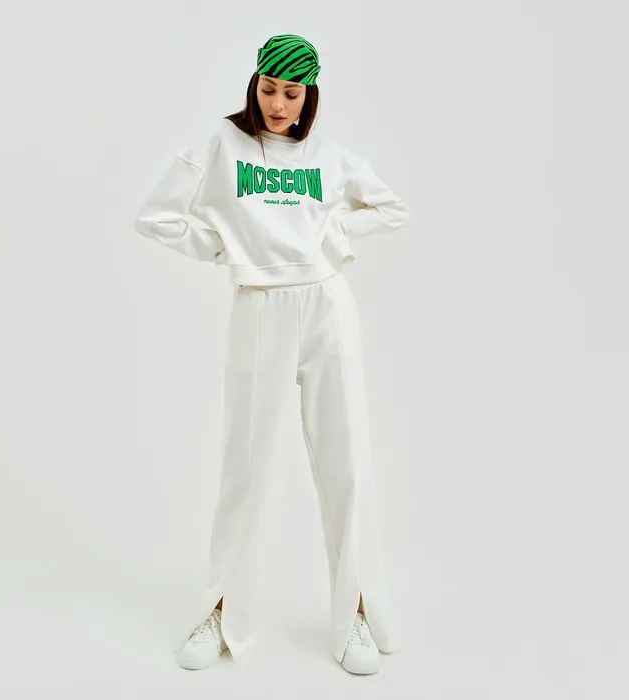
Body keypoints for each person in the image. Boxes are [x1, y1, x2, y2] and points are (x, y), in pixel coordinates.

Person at [133, 33, 410, 674]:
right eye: (268, 89)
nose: (278, 104)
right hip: (260, 307)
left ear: (309, 95)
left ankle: (356, 611)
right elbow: (156, 216)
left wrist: (334, 232)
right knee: (247, 465)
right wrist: (227, 246)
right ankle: (223, 611)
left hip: (327, 305)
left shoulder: (329, 156)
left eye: (291, 92)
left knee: (347, 462)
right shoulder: (220, 146)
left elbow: (391, 207)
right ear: (253, 85)